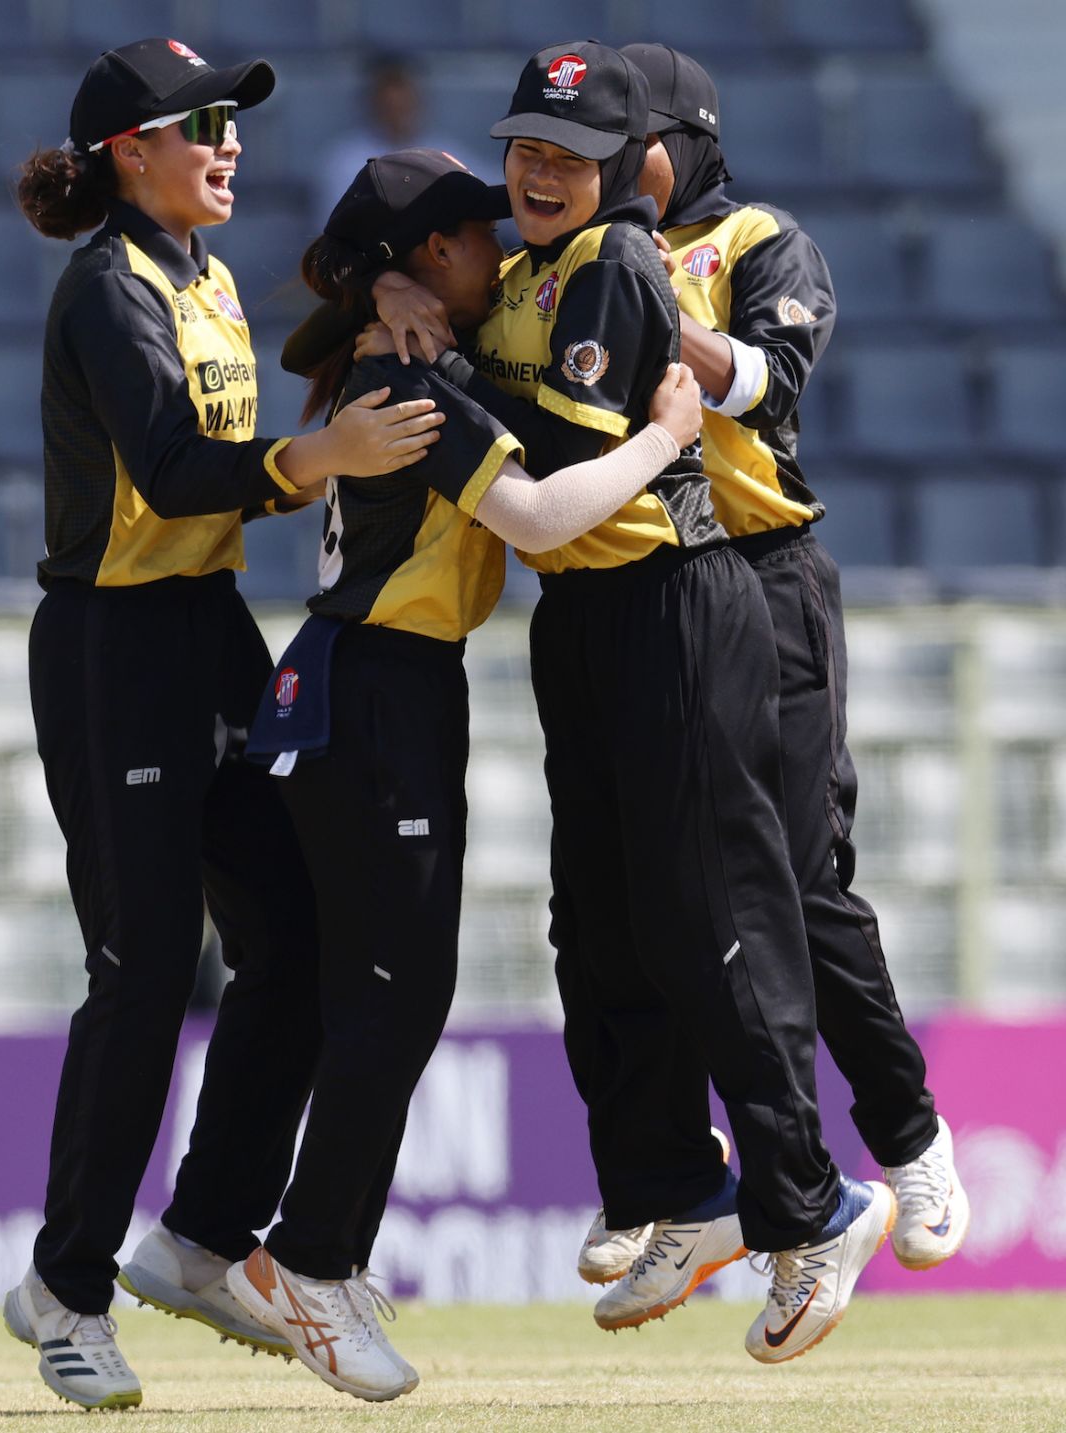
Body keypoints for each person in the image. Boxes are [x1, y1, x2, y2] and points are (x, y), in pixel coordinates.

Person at [355, 40, 896, 1364]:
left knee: (715, 913)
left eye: (567, 155)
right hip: (587, 622)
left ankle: (811, 1203)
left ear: (623, 169)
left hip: (675, 601)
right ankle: (674, 1185)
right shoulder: (531, 265)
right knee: (595, 923)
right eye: (522, 150)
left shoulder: (617, 265)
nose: (535, 175)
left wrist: (445, 375)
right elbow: (380, 263)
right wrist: (386, 282)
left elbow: (561, 459)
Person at [0, 38, 447, 1412]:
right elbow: (178, 467)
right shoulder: (106, 289)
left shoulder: (199, 269)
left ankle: (201, 1238)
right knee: (140, 972)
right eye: (202, 126)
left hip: (204, 636)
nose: (228, 144)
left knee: (302, 930)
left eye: (233, 124)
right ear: (131, 151)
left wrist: (376, 274)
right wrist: (320, 458)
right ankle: (68, 1290)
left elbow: (327, 286)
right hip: (110, 645)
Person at [223, 146, 703, 1405]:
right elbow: (542, 521)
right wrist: (661, 439)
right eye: (474, 235)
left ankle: (303, 1249)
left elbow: (317, 340)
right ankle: (312, 1264)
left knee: (375, 994)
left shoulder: (400, 348)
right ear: (431, 254)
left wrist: (380, 297)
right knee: (394, 995)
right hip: (372, 685)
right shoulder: (415, 381)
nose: (502, 250)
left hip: (366, 681)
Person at [570, 42, 967, 1296]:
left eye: (622, 138)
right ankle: (689, 1188)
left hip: (766, 573)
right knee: (655, 890)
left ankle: (904, 1134)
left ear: (677, 138)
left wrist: (641, 307)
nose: (598, 161)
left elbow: (763, 376)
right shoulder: (574, 242)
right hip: (648, 582)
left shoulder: (757, 238)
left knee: (795, 876)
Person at [314, 52, 489, 227]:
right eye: (389, 105)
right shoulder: (344, 160)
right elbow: (336, 228)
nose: (397, 112)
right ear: (373, 102)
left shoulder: (447, 153)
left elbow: (488, 198)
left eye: (404, 103)